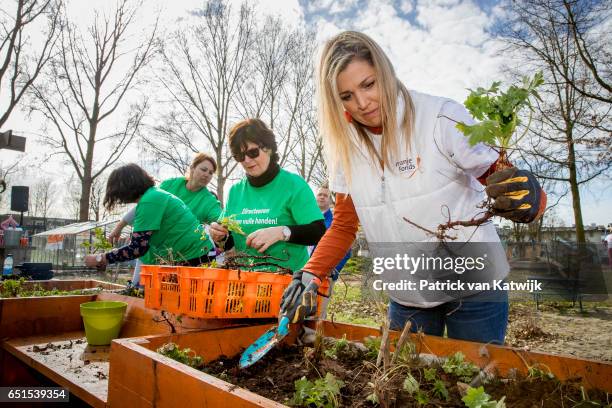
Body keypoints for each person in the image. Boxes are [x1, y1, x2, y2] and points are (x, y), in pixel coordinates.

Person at [279, 31, 546, 344]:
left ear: (386, 72)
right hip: (408, 296)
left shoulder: (440, 118)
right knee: (408, 385)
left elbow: (511, 190)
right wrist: (309, 273)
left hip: (476, 288)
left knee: (476, 385)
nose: (362, 103)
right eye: (346, 96)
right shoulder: (344, 148)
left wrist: (530, 199)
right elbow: (343, 226)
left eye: (368, 84)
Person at [209, 118, 325, 273]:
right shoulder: (236, 191)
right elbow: (229, 240)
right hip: (247, 281)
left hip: (288, 281)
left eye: (252, 152)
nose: (247, 160)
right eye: (239, 156)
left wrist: (282, 232)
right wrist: (220, 237)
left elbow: (318, 231)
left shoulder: (293, 185)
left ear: (268, 148)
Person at [108, 153, 222, 285]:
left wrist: (219, 227)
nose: (207, 174)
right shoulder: (170, 185)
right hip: (152, 248)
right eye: (203, 169)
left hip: (180, 254)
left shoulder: (208, 201)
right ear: (192, 168)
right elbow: (146, 203)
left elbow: (219, 219)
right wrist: (120, 226)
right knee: (138, 289)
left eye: (211, 172)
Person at [84, 164, 214, 270]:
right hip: (196, 253)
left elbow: (137, 248)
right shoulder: (153, 195)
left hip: (196, 256)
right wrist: (119, 227)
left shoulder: (150, 201)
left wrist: (101, 258)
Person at [311, 184, 351, 319]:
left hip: (324, 275)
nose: (322, 197)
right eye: (319, 194)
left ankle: (315, 338)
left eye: (325, 195)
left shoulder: (336, 222)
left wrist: (333, 270)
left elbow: (346, 251)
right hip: (302, 271)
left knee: (318, 313)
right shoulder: (304, 217)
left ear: (330, 200)